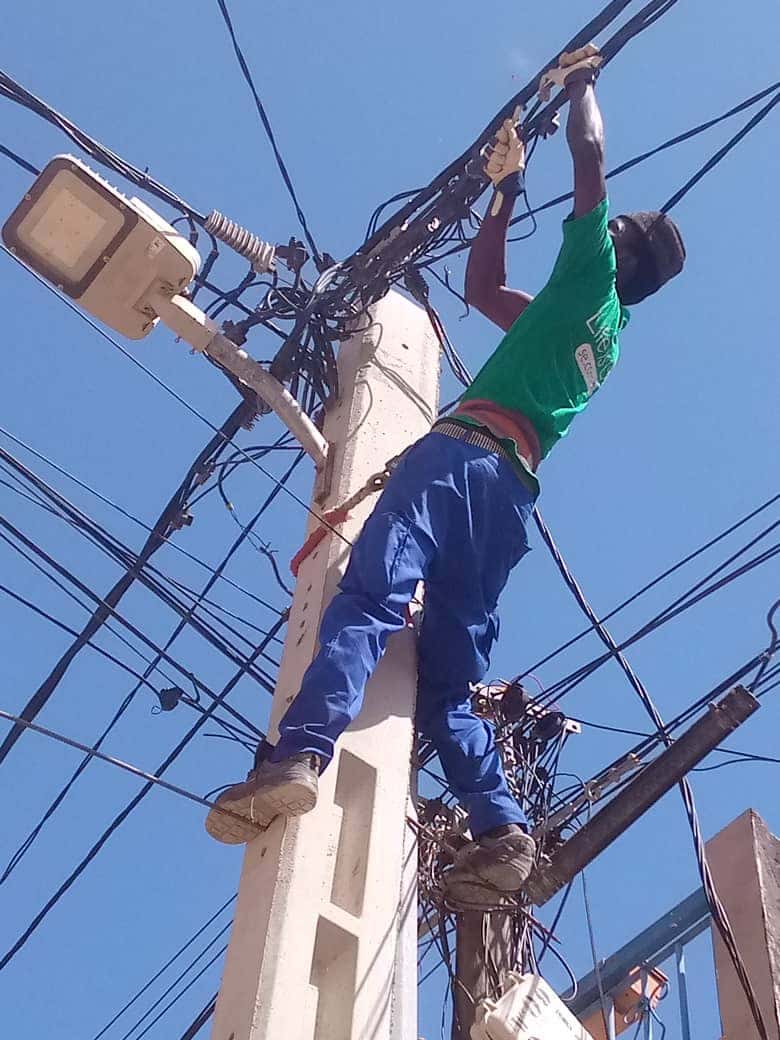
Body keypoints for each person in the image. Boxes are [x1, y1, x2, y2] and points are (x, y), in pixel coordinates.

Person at [205, 46, 685, 905]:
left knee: (371, 596)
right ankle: (502, 831)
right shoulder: (595, 333)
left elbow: (591, 159)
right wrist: (505, 189)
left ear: (621, 251)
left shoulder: (593, 273)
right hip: (507, 505)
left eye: (612, 230)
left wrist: (581, 79)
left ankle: (299, 755)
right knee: (449, 684)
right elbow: (483, 286)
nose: (599, 227)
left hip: (459, 460)